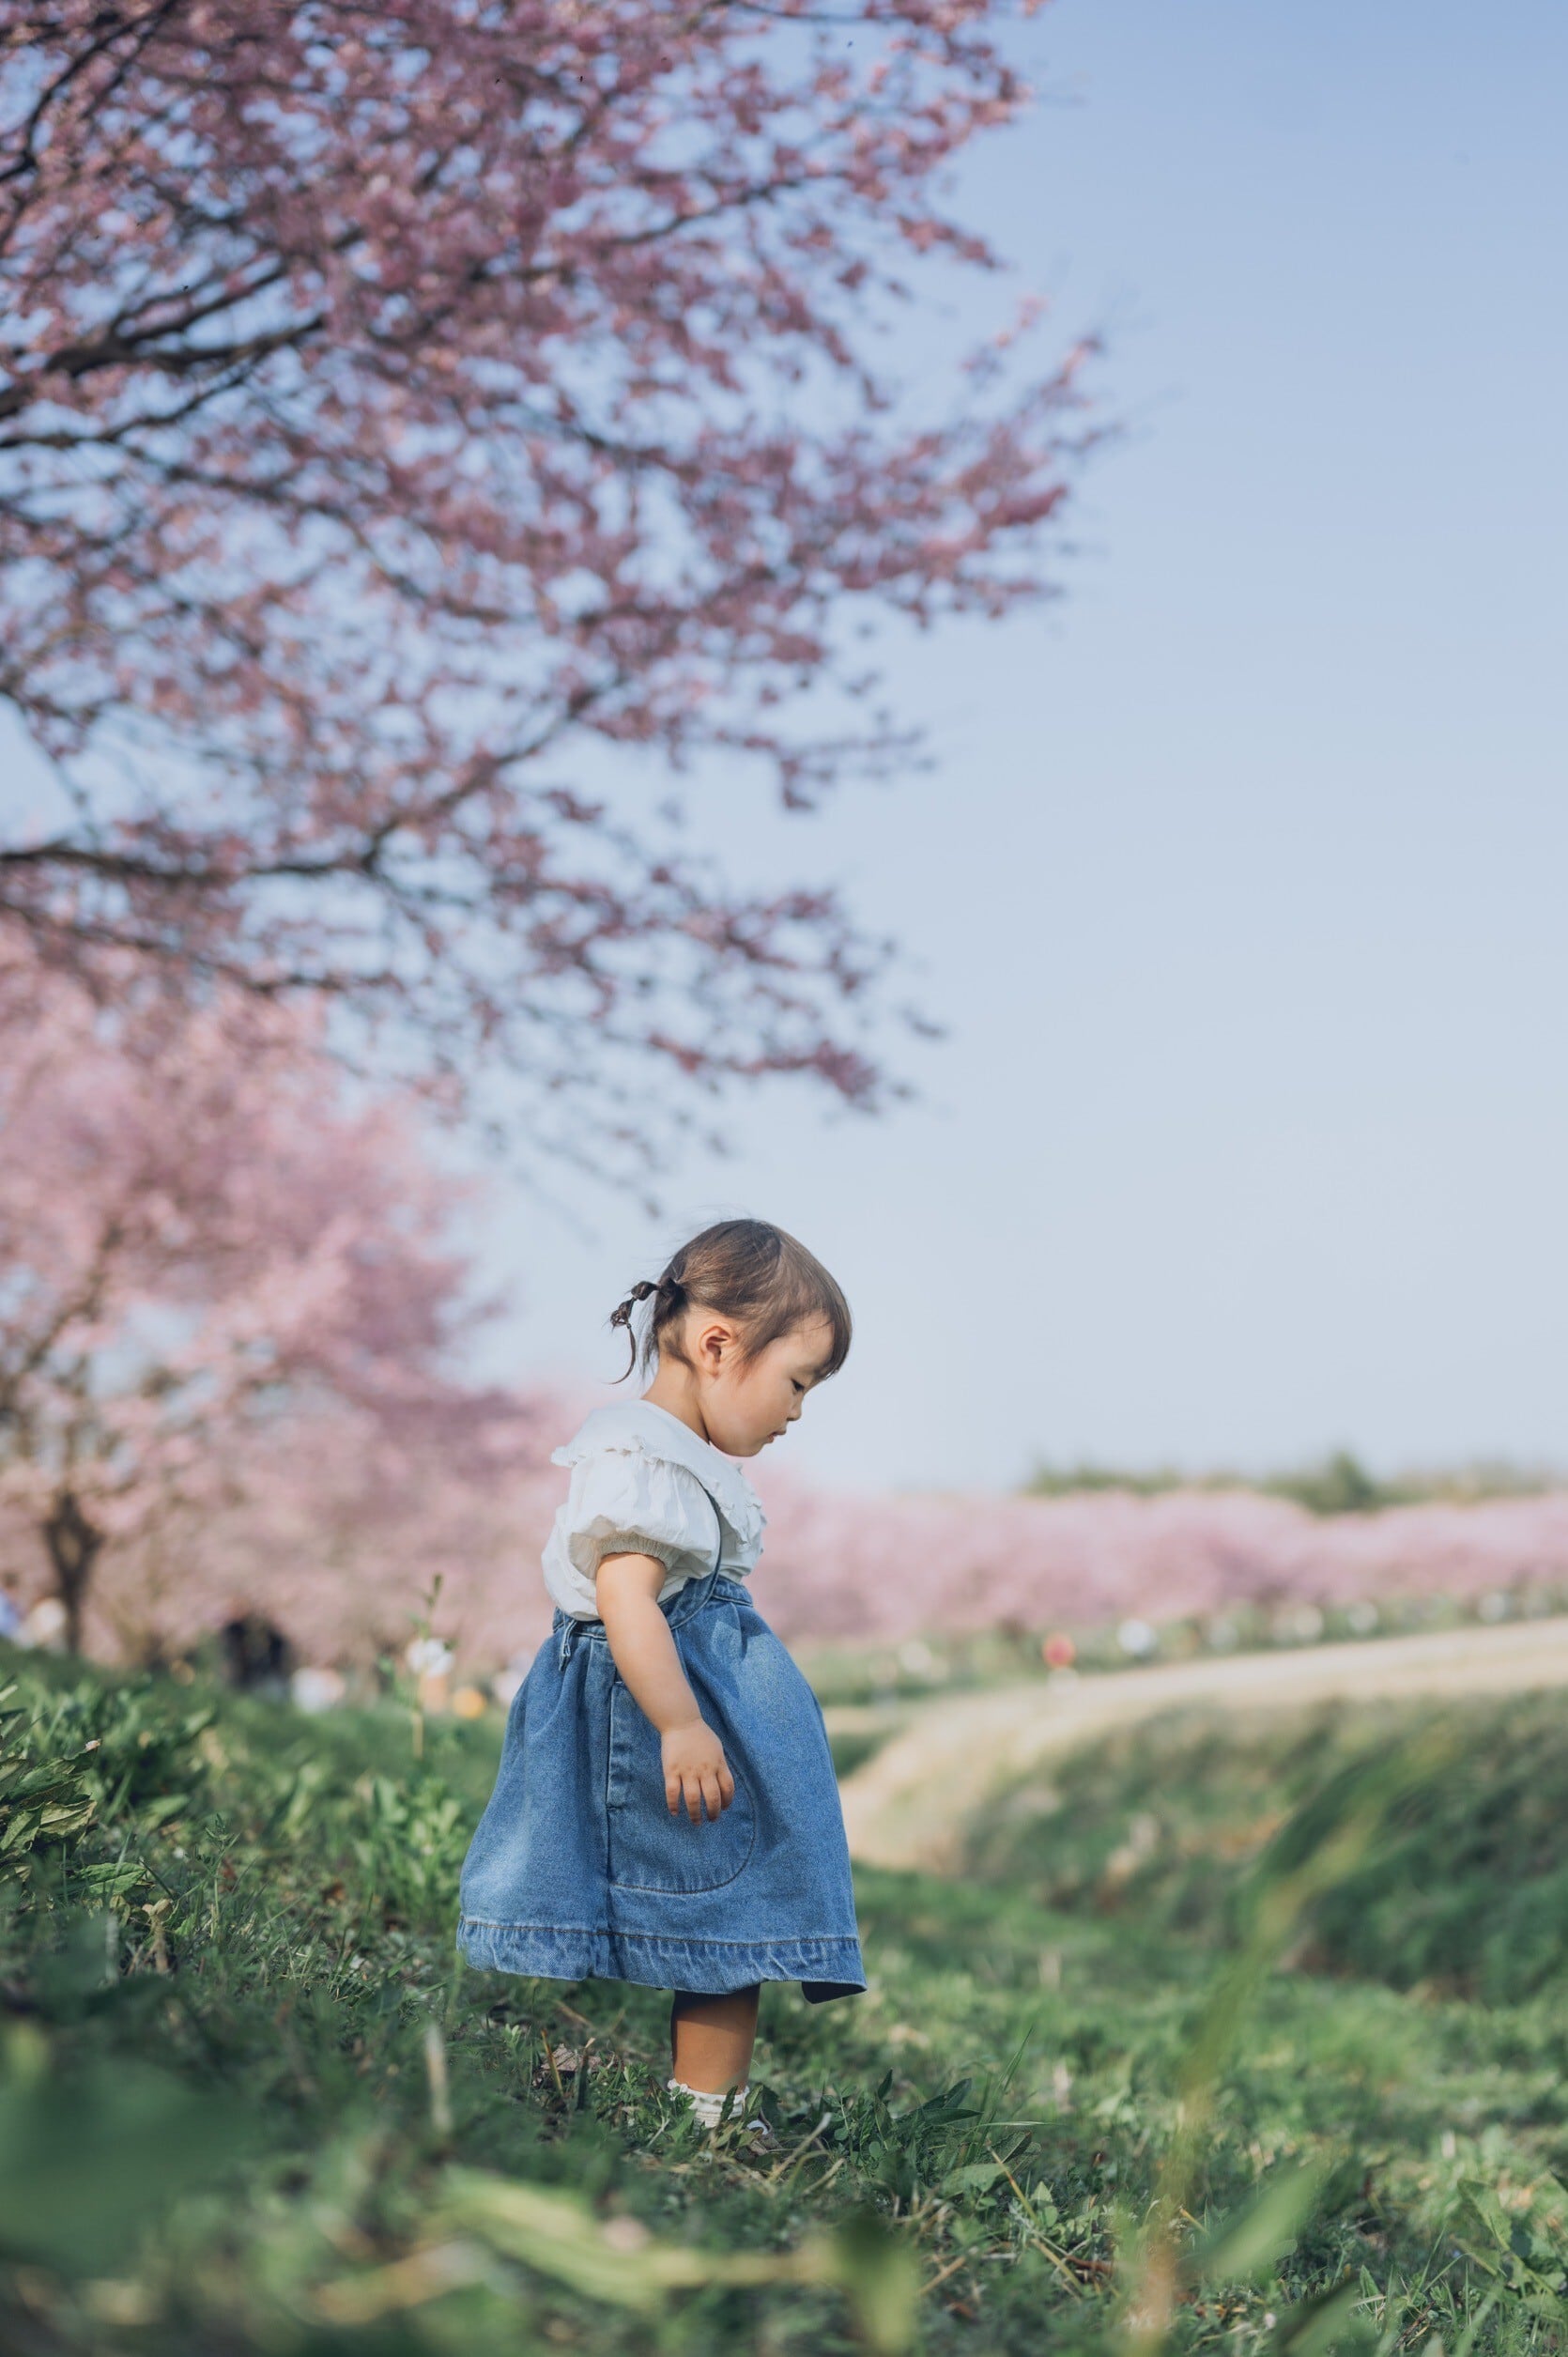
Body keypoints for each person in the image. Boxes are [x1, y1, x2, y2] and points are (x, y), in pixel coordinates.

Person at [457, 1218, 864, 2132]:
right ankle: (702, 2113)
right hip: (660, 1723)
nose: (795, 1410)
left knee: (734, 1919)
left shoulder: (670, 1458)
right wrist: (680, 1722)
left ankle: (706, 2108)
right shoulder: (640, 1456)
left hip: (694, 1716)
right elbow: (624, 1595)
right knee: (729, 1917)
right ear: (719, 1345)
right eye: (796, 1381)